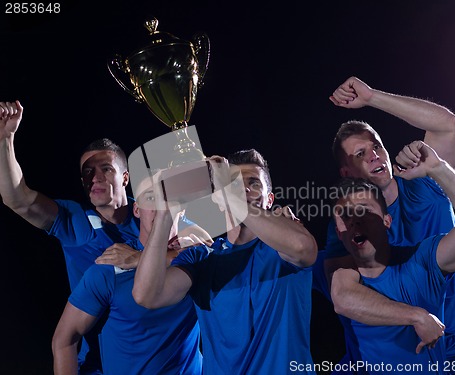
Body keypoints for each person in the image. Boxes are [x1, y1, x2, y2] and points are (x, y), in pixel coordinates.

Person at [317, 76, 455, 373]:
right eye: (360, 154)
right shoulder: (345, 224)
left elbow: (446, 124)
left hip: (450, 338)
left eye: (376, 147)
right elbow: (343, 296)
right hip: (381, 346)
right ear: (347, 172)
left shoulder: (423, 182)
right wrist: (416, 316)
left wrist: (371, 97)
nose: (374, 156)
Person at [132, 149, 319, 375]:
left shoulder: (281, 248)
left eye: (254, 183)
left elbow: (304, 249)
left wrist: (231, 195)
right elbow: (146, 295)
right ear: (218, 200)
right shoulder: (202, 258)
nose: (245, 189)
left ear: (269, 199)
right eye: (234, 183)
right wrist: (164, 213)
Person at [329, 141, 455, 373]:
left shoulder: (421, 261)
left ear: (387, 221)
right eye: (345, 215)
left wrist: (438, 168)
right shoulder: (339, 273)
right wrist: (417, 317)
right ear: (338, 232)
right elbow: (343, 298)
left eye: (365, 210)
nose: (355, 220)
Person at [0, 100, 141, 374]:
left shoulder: (153, 216)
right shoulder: (74, 221)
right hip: (101, 367)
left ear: (125, 177)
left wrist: (141, 258)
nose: (95, 178)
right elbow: (17, 198)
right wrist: (6, 139)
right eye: (87, 173)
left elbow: (200, 249)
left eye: (105, 169)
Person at [51, 171, 210, 374]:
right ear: (136, 209)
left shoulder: (199, 258)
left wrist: (141, 258)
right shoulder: (108, 270)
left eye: (168, 198)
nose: (160, 207)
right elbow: (64, 340)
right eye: (151, 198)